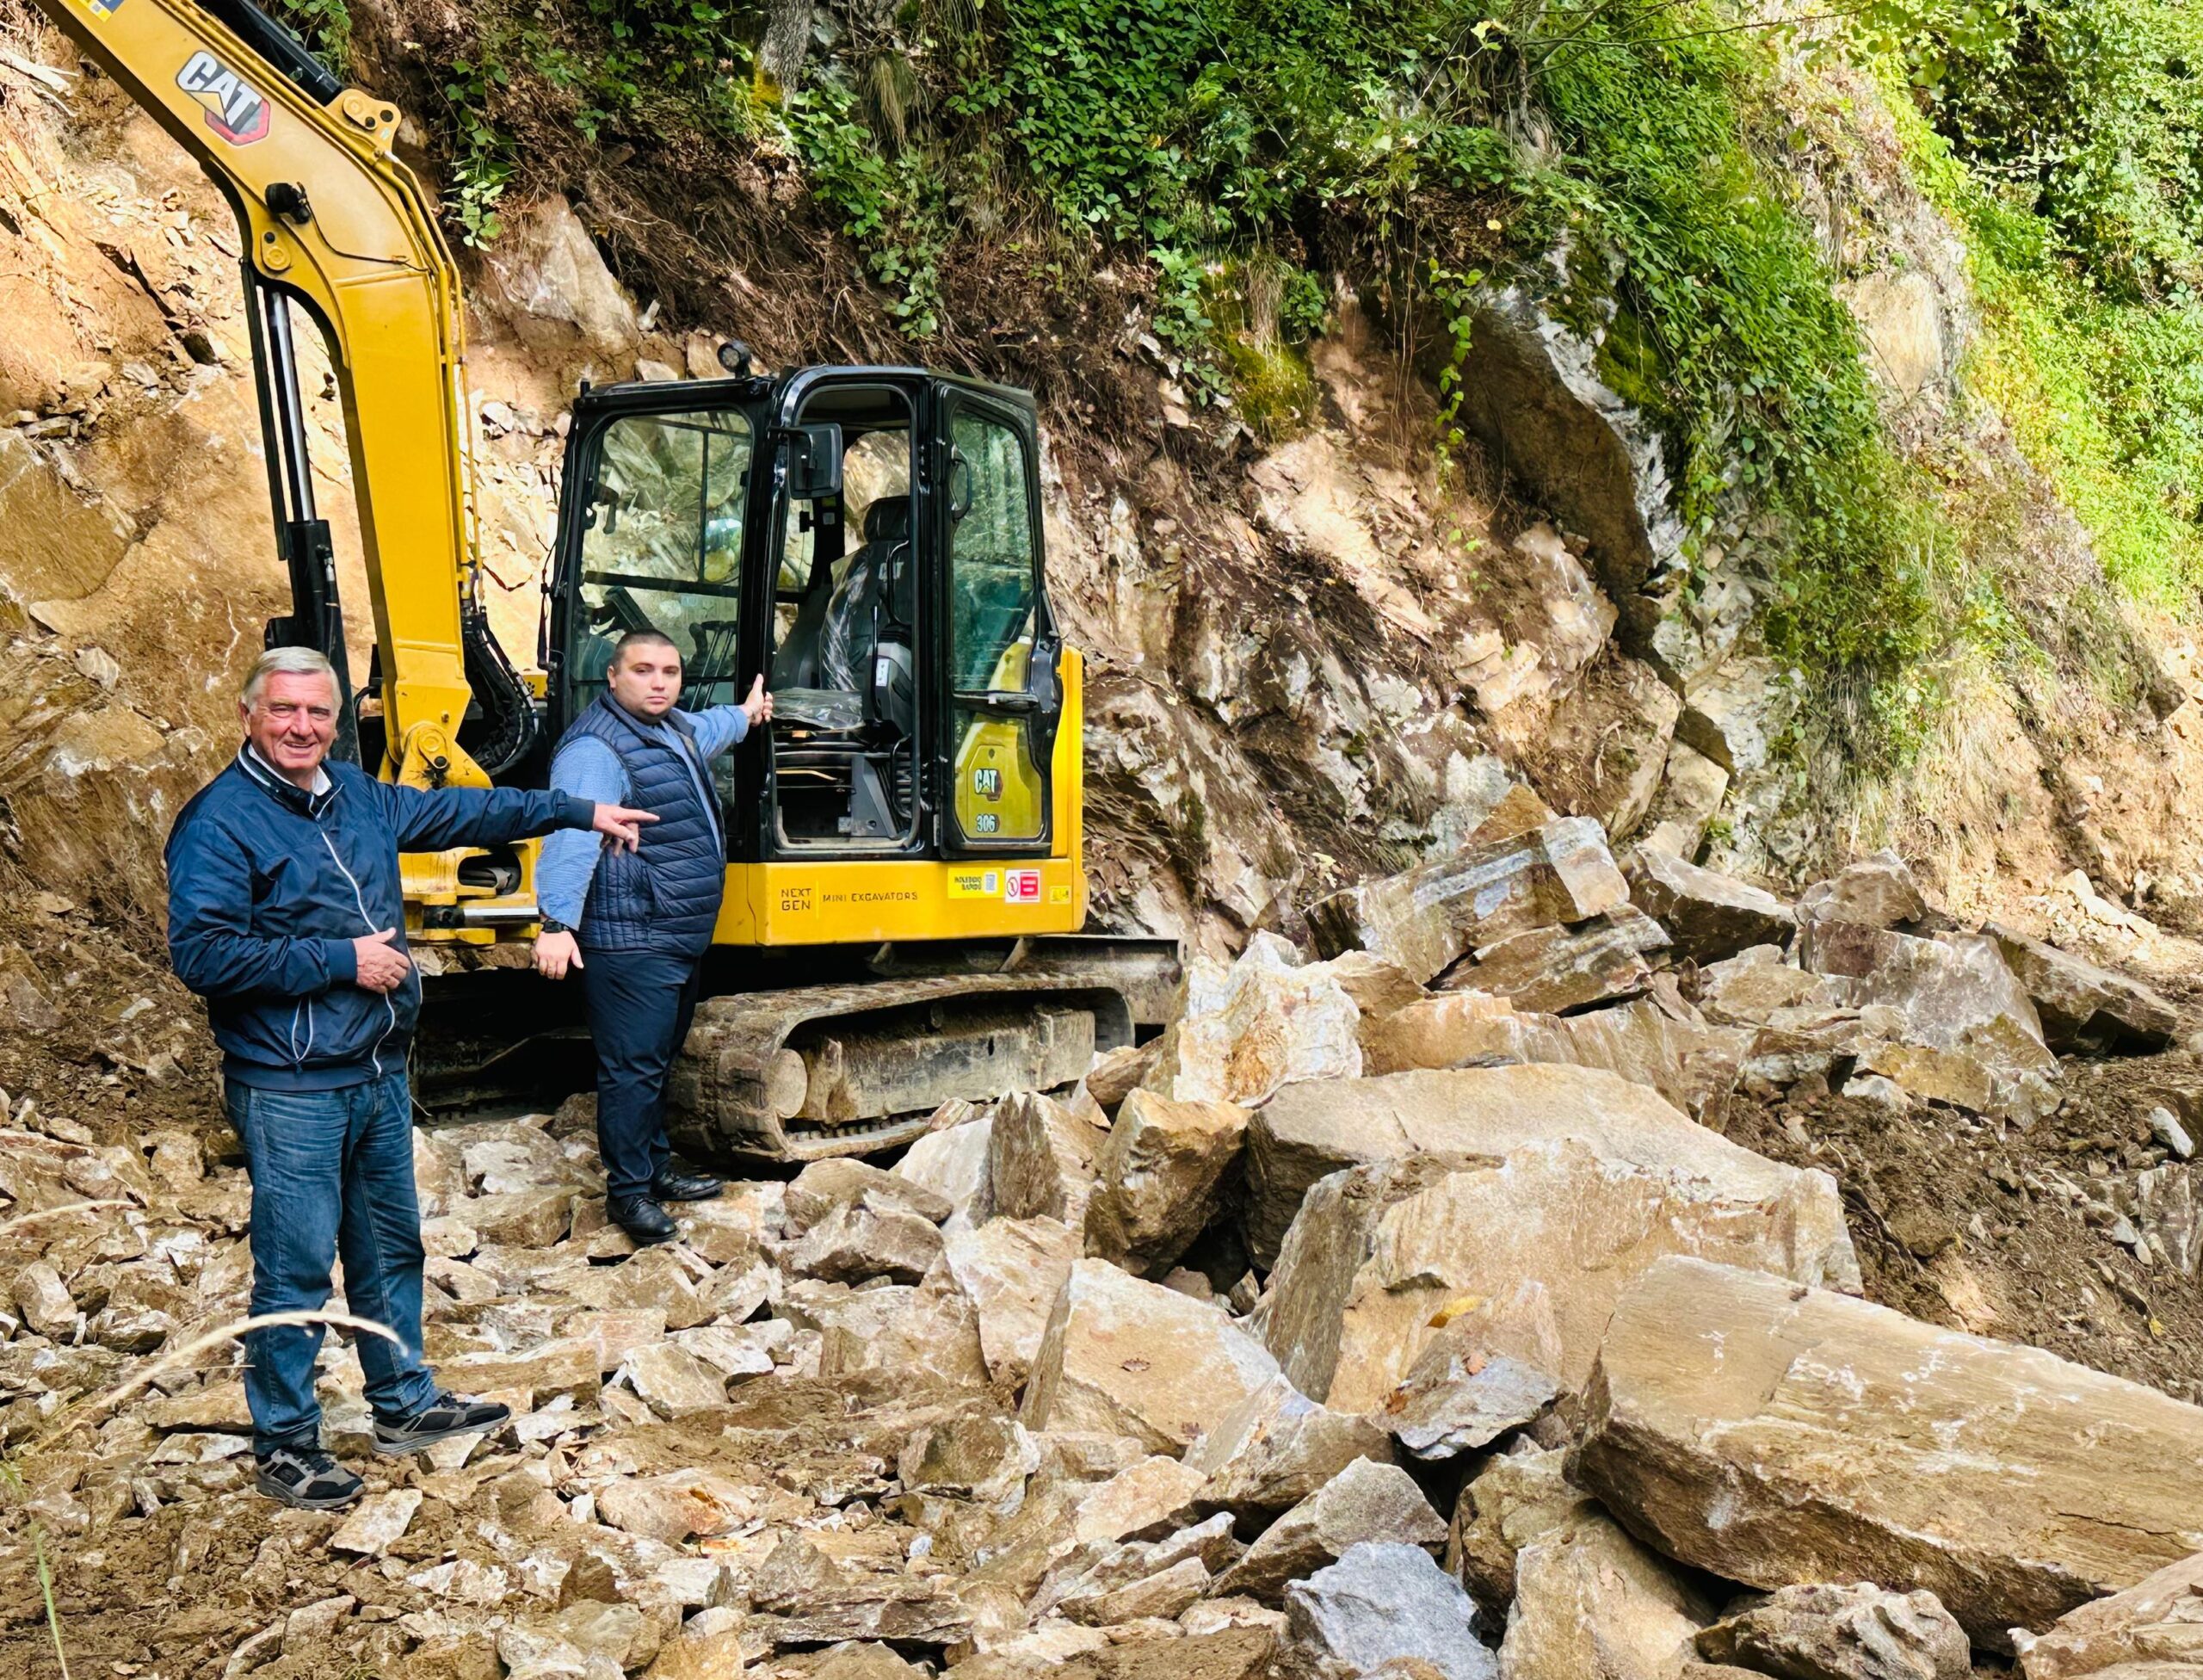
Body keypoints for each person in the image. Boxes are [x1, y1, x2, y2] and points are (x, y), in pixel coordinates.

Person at [165, 645, 657, 1510]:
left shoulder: (355, 794)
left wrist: (574, 810)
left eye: (318, 712)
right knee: (296, 1269)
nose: (302, 727)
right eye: (283, 710)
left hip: (376, 1068)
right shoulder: (219, 821)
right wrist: (340, 959)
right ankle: (286, 1443)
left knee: (391, 1246)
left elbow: (467, 809)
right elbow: (202, 952)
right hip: (290, 1082)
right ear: (249, 715)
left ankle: (403, 1401)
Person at [533, 629, 773, 1245]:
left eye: (669, 670)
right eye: (643, 670)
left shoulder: (672, 729)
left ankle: (655, 1167)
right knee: (631, 1068)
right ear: (613, 678)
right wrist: (557, 925)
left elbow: (712, 728)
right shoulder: (596, 749)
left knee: (656, 1061)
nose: (659, 681)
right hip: (631, 935)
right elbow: (570, 835)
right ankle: (629, 1195)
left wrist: (747, 714)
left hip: (671, 933)